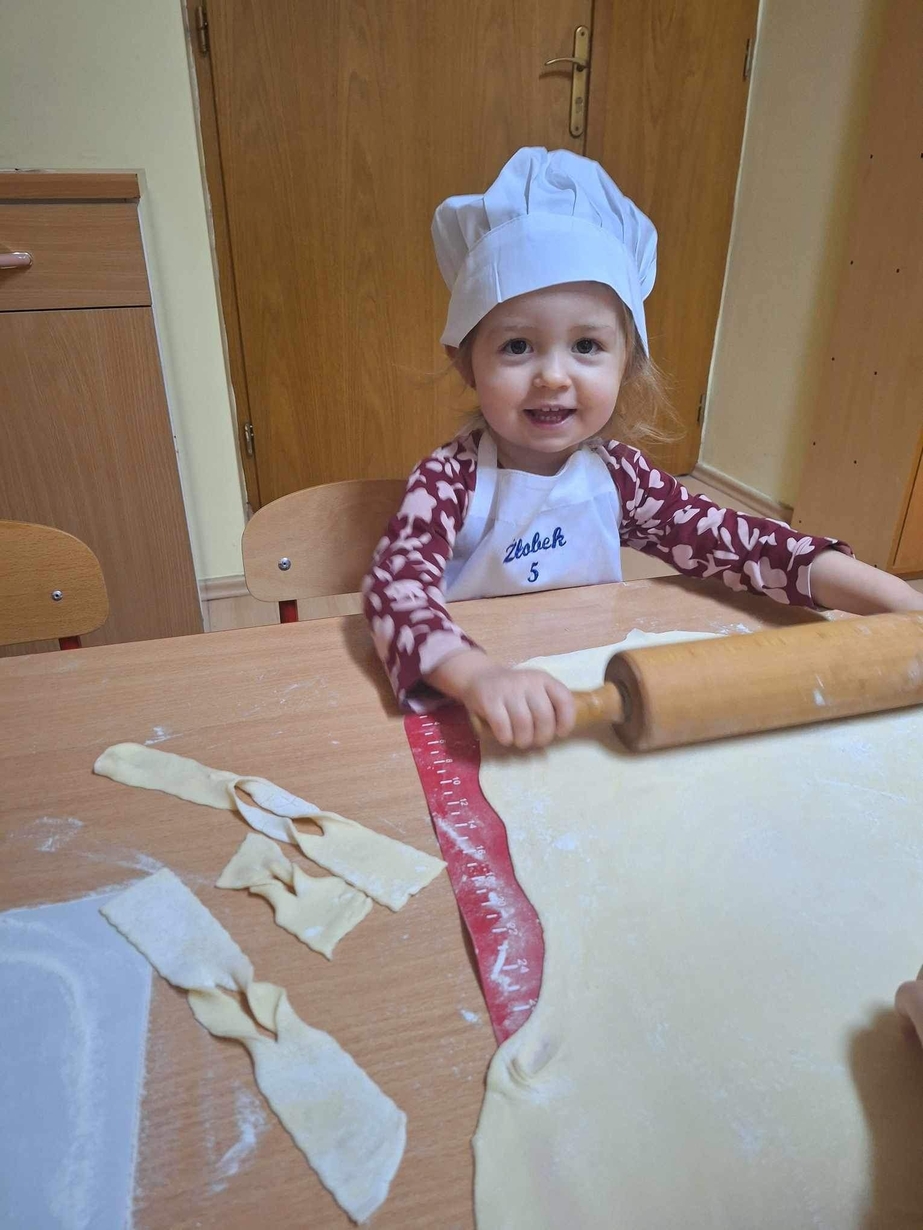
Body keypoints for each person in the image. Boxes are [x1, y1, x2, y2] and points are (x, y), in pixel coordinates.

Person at [363, 148, 923, 750]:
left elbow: (746, 546)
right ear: (466, 362)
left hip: (595, 701)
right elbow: (395, 590)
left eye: (586, 345)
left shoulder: (622, 479)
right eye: (518, 346)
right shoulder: (449, 480)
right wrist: (478, 676)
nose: (553, 376)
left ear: (627, 362)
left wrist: (900, 601)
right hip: (477, 707)